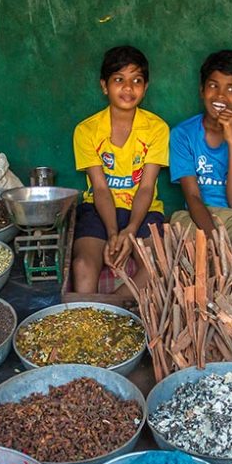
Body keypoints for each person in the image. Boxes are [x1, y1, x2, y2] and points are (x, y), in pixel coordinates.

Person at [72, 45, 169, 294]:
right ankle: (90, 314)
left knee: (156, 266)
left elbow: (146, 188)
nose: (128, 88)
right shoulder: (87, 130)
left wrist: (131, 230)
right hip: (98, 209)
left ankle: (112, 308)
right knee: (83, 266)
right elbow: (101, 189)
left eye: (136, 80)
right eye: (119, 80)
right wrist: (114, 232)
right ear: (104, 86)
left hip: (144, 211)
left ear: (145, 87)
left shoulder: (157, 129)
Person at [169, 49, 232, 268]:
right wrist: (214, 238)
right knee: (194, 258)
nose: (221, 96)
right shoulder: (182, 134)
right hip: (197, 215)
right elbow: (193, 197)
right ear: (202, 89)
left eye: (231, 89)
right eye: (214, 85)